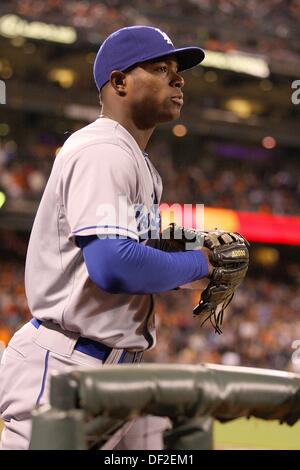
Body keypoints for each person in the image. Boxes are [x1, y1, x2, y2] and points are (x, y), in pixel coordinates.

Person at [0, 25, 211, 450]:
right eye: (160, 68)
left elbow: (144, 246)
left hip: (113, 368)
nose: (178, 78)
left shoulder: (134, 159)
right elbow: (114, 264)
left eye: (178, 70)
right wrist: (202, 263)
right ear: (119, 82)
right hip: (68, 367)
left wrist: (201, 246)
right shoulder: (103, 150)